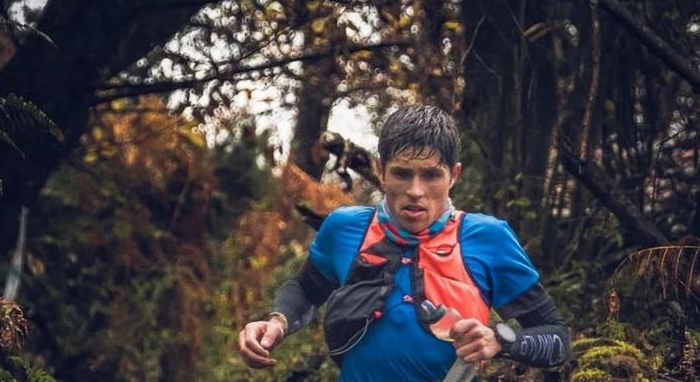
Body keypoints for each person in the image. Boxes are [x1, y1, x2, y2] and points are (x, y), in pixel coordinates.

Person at [238, 105, 570, 381]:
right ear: (381, 170)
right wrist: (276, 322)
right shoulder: (344, 228)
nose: (415, 190)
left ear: (453, 175)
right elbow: (306, 290)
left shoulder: (487, 238)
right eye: (401, 173)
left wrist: (500, 340)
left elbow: (557, 338)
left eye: (431, 175)